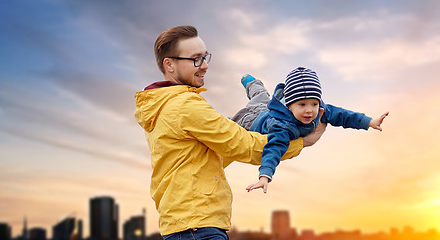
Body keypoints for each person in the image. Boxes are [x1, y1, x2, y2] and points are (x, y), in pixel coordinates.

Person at [134, 26, 326, 240]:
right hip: (197, 227)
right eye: (196, 59)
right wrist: (302, 142)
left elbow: (213, 155)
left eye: (205, 57)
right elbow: (243, 145)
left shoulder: (163, 105)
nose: (205, 65)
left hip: (187, 224)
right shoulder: (184, 106)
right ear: (169, 64)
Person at [230, 67, 389, 193]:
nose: (309, 111)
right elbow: (273, 149)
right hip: (251, 121)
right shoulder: (283, 126)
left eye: (313, 104)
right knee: (247, 108)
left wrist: (370, 122)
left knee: (262, 97)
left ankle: (252, 83)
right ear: (290, 105)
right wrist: (265, 176)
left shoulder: (320, 110)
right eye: (302, 105)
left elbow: (343, 115)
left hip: (269, 109)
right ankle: (250, 81)